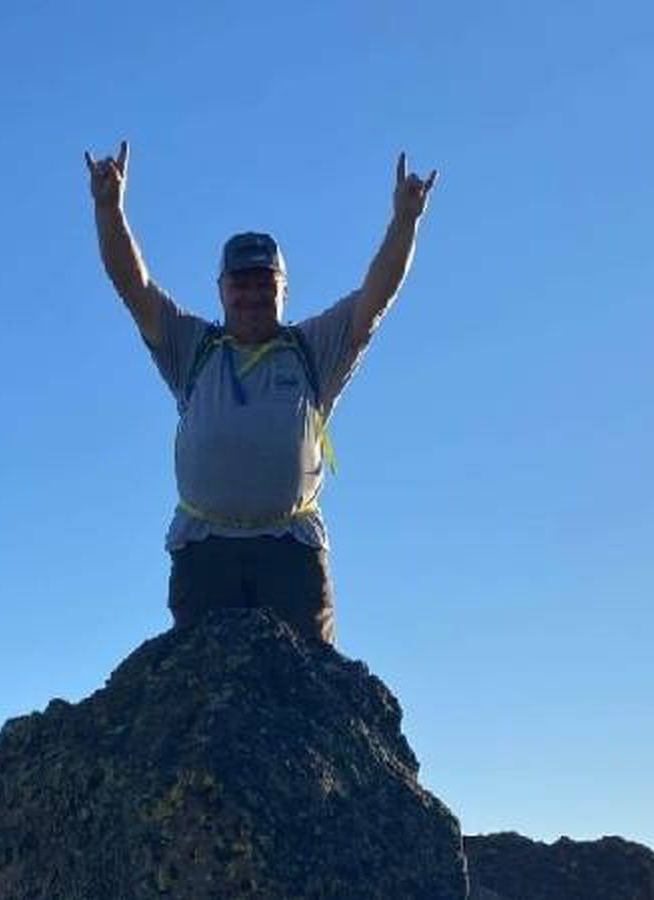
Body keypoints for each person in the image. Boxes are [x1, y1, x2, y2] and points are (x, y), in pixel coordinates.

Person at [85, 140, 436, 646]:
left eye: (264, 284)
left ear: (283, 290)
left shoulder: (313, 350)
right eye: (241, 284)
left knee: (312, 683)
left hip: (291, 551)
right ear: (221, 289)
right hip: (204, 550)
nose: (252, 295)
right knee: (201, 683)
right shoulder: (192, 346)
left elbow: (374, 301)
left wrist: (405, 220)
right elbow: (132, 285)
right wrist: (109, 209)